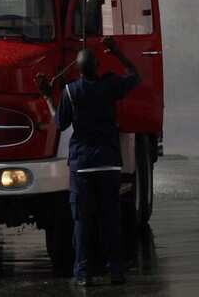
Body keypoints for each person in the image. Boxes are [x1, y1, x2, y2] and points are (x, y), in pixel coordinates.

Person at [56, 37, 141, 286]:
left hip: (82, 166)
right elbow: (135, 75)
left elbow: (60, 124)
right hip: (109, 163)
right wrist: (117, 52)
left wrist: (46, 97)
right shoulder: (111, 85)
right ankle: (116, 271)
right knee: (110, 221)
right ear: (97, 66)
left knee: (82, 222)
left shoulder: (70, 91)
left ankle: (83, 274)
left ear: (78, 69)